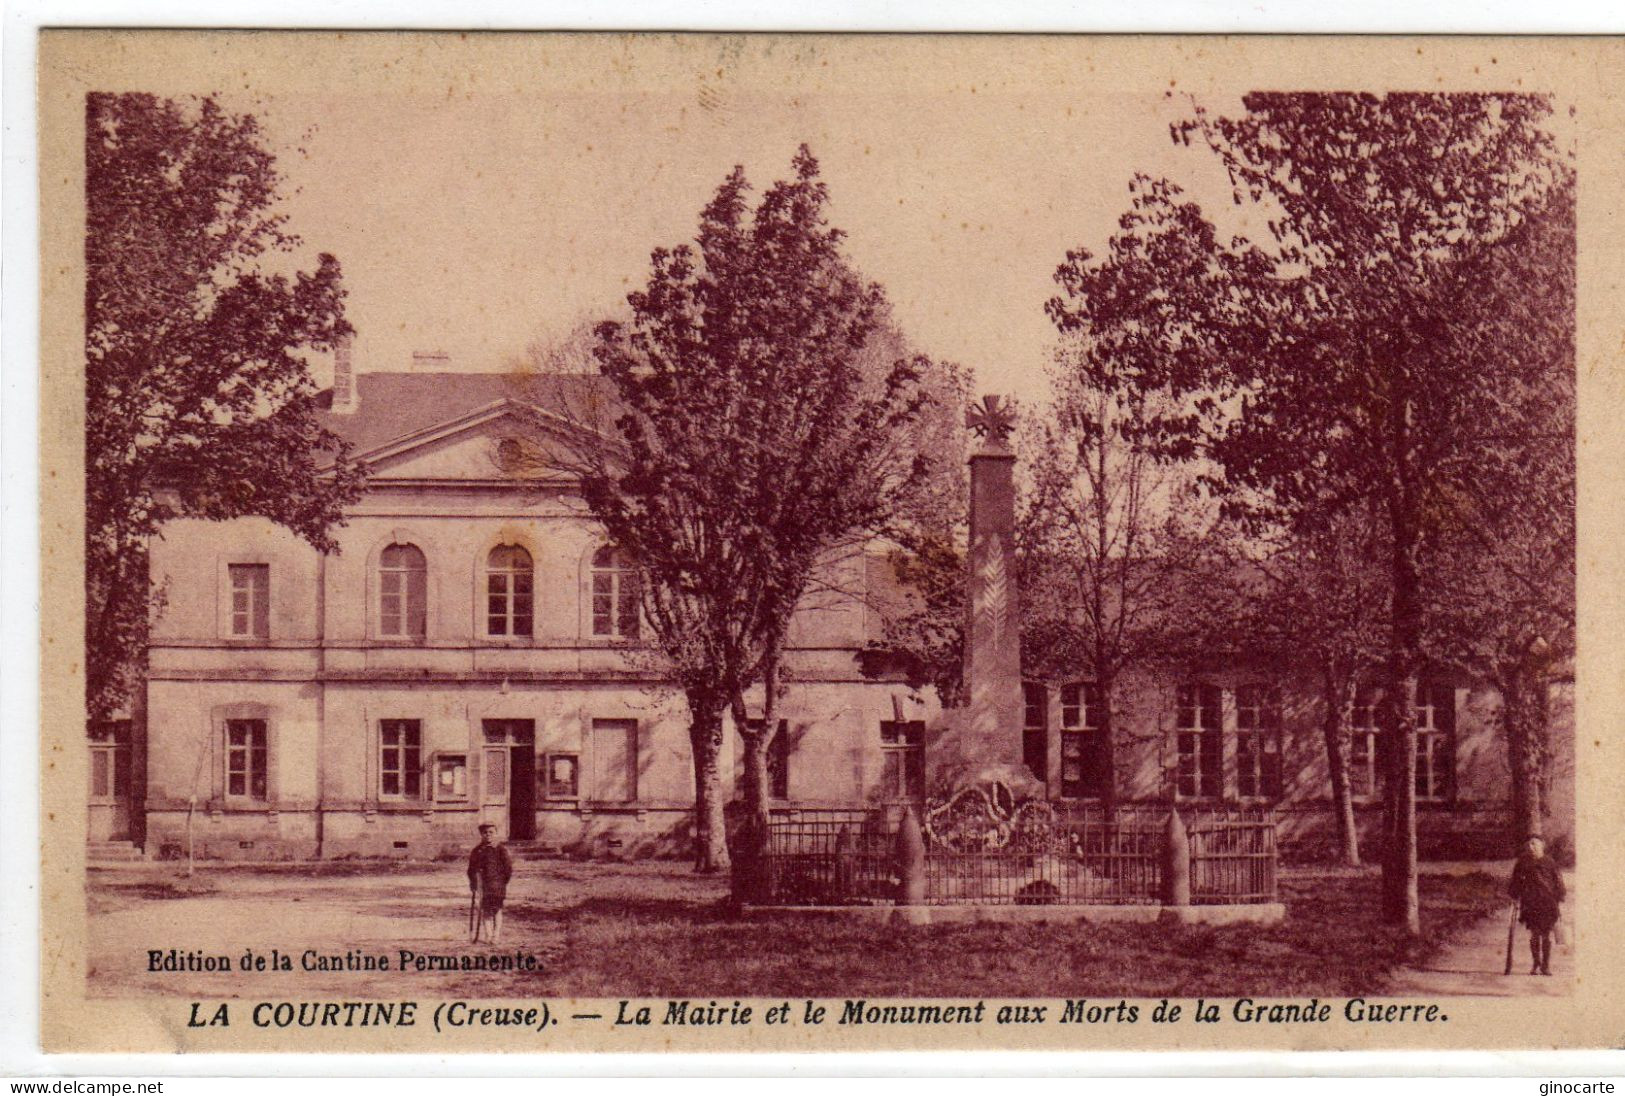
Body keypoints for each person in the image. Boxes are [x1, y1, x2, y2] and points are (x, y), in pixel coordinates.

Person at [1508, 834, 1565, 975]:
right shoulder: (1522, 863)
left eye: (1534, 844)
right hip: (1530, 903)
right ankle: (1536, 964)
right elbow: (1516, 882)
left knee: (1546, 935)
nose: (1531, 847)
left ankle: (1545, 966)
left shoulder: (1550, 862)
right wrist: (1514, 896)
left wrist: (1559, 897)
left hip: (1547, 903)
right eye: (1529, 844)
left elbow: (1558, 882)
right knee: (1534, 934)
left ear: (1542, 846)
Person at [467, 822, 513, 944]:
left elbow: (508, 868)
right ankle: (488, 935)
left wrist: (502, 882)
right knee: (485, 909)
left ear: (496, 833)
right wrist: (473, 884)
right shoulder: (477, 851)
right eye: (485, 833)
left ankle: (496, 935)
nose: (488, 835)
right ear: (481, 834)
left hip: (497, 885)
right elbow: (471, 869)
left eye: (491, 832)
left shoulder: (500, 849)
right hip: (483, 885)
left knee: (497, 909)